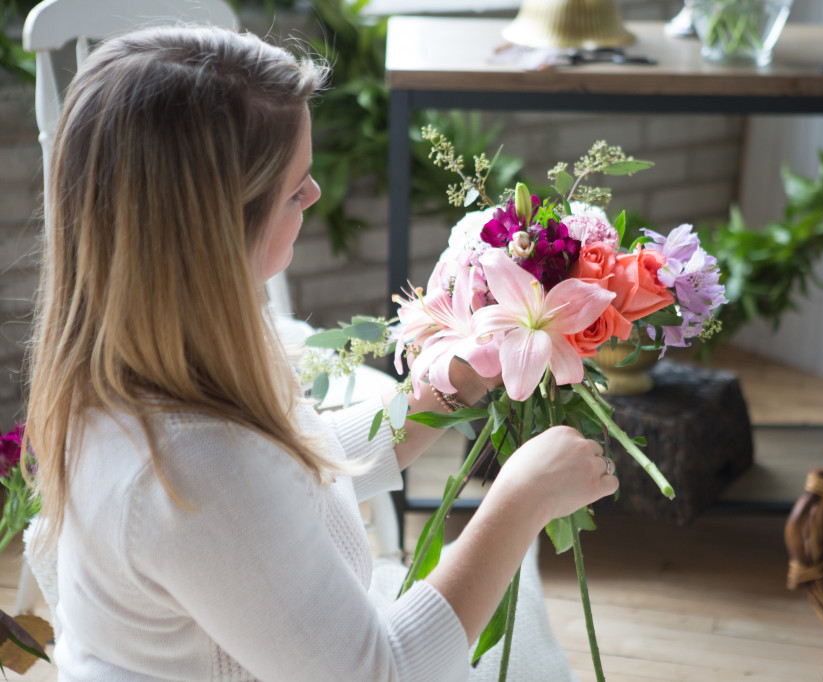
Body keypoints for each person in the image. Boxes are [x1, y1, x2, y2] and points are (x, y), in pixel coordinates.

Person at [24, 25, 618, 681]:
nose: (314, 196)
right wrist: (520, 500)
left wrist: (430, 398)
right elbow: (379, 672)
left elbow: (293, 469)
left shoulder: (153, 357)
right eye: (294, 188)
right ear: (217, 234)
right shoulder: (192, 472)